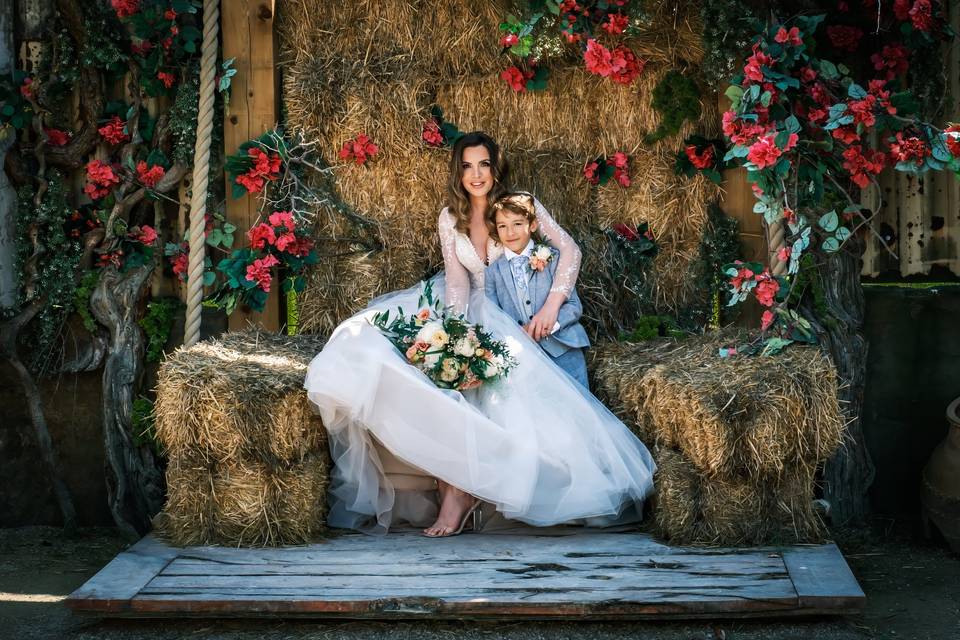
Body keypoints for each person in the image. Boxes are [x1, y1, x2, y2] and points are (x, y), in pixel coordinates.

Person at [304, 131, 656, 537]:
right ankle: (454, 488)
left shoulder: (519, 204)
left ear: (495, 167)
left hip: (509, 311)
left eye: (484, 164)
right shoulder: (449, 217)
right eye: (468, 165)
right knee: (374, 341)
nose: (476, 174)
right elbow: (456, 282)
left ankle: (484, 491)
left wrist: (551, 307)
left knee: (510, 382)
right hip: (468, 306)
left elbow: (570, 251)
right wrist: (454, 333)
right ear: (459, 170)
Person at [485, 192, 591, 389]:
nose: (510, 232)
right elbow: (494, 317)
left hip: (564, 350)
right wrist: (517, 335)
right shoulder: (493, 273)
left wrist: (549, 325)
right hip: (524, 360)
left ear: (532, 225)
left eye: (517, 224)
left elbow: (574, 306)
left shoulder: (553, 258)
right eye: (502, 226)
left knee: (579, 409)